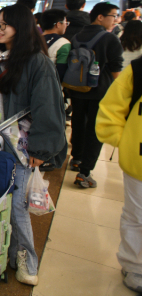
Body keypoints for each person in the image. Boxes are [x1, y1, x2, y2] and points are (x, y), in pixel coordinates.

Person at [0, 4, 66, 286]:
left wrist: (40, 150)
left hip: (22, 148)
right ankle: (4, 251)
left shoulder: (37, 63)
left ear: (20, 28)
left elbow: (48, 108)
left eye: (3, 25)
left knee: (18, 206)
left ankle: (26, 259)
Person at [95, 59, 142, 294]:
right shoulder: (138, 69)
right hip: (139, 161)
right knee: (137, 215)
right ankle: (134, 265)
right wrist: (122, 141)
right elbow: (112, 107)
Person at [68, 2, 123, 188]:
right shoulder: (110, 39)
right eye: (113, 15)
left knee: (78, 123)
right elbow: (116, 69)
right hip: (99, 91)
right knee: (95, 130)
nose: (115, 19)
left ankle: (76, 158)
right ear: (100, 17)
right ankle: (85, 172)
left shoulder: (77, 36)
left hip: (77, 88)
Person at [40, 9, 71, 80]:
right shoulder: (63, 43)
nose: (66, 26)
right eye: (66, 23)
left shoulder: (31, 39)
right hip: (49, 85)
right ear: (58, 24)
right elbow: (61, 72)